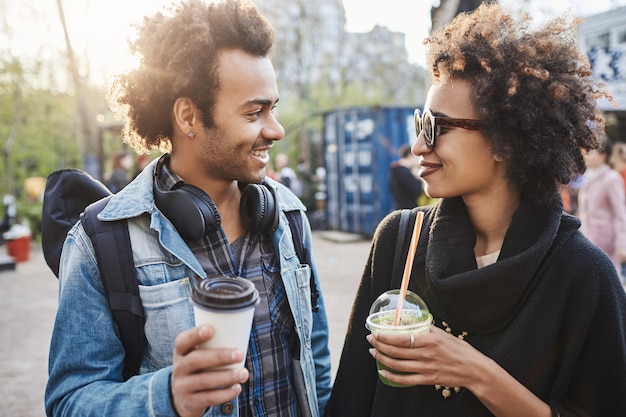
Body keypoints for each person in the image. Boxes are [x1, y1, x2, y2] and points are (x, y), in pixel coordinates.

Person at [326, 4, 626, 417]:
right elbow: (351, 398)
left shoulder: (583, 275)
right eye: (419, 124)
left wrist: (475, 371)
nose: (418, 147)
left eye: (437, 127)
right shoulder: (399, 240)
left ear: (505, 140)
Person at [45, 1, 331, 416]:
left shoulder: (286, 215)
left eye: (274, 108)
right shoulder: (99, 240)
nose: (276, 129)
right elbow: (69, 402)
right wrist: (168, 396)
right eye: (254, 112)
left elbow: (314, 364)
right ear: (188, 115)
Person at [578, 138, 626, 277]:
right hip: (587, 236)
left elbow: (620, 213)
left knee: (607, 279)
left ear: (603, 156)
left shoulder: (612, 178)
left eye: (591, 152)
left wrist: (621, 244)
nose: (587, 156)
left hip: (606, 241)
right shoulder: (587, 177)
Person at [389, 144, 424, 209]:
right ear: (410, 156)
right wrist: (420, 179)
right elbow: (417, 190)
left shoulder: (397, 170)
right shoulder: (402, 171)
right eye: (418, 157)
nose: (420, 160)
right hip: (407, 211)